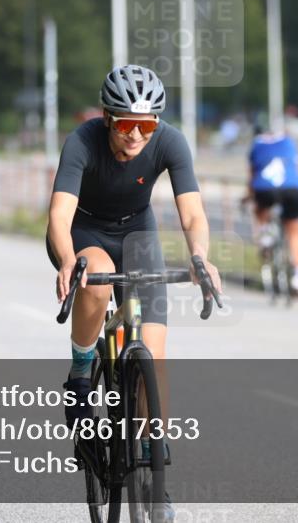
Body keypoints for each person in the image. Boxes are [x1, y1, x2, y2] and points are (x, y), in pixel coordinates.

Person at [47, 65, 221, 516]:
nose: (136, 136)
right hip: (85, 232)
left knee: (155, 351)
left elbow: (193, 215)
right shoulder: (82, 142)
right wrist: (69, 260)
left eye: (147, 125)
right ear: (108, 117)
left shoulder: (170, 141)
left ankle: (150, 465)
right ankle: (82, 370)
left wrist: (200, 256)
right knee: (98, 279)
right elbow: (59, 218)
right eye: (127, 124)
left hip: (138, 234)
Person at [246, 124, 298, 294]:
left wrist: (249, 197)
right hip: (292, 188)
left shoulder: (256, 145)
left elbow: (251, 179)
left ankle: (265, 234)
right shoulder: (289, 141)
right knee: (294, 231)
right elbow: (297, 169)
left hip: (265, 188)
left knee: (260, 209)